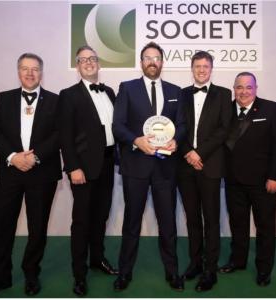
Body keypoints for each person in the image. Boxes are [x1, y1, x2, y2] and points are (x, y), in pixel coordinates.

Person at [0, 53, 61, 297]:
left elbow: (59, 134)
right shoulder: (4, 98)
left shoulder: (56, 101)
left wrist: (34, 158)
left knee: (38, 228)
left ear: (41, 72)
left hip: (42, 173)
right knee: (2, 225)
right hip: (9, 173)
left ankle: (31, 273)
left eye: (35, 69)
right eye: (25, 68)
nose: (30, 73)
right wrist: (13, 157)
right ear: (18, 72)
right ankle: (0, 276)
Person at [112, 42, 186, 291]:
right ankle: (124, 272)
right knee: (131, 222)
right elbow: (118, 125)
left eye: (156, 57)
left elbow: (182, 125)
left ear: (162, 62)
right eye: (147, 58)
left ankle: (172, 272)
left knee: (168, 223)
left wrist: (177, 139)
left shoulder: (176, 90)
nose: (152, 62)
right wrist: (136, 140)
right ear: (141, 62)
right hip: (136, 166)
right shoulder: (127, 88)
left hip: (165, 168)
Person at [59, 45, 117, 296]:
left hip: (107, 163)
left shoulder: (110, 92)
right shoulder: (68, 95)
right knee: (82, 221)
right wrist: (73, 167)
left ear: (99, 64)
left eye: (93, 59)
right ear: (78, 65)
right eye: (84, 60)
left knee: (101, 216)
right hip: (82, 168)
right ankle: (79, 274)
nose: (89, 63)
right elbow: (65, 135)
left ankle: (98, 258)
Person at [219, 72, 276, 286]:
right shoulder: (225, 110)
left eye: (248, 87)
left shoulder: (271, 109)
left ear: (256, 88)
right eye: (239, 87)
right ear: (234, 89)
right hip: (233, 181)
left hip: (263, 182)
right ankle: (237, 261)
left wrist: (275, 176)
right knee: (238, 224)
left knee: (265, 227)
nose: (244, 91)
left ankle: (264, 269)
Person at [177, 51, 232, 291]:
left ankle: (210, 270)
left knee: (211, 219)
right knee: (192, 219)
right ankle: (195, 263)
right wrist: (189, 152)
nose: (201, 70)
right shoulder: (182, 94)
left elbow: (223, 129)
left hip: (210, 165)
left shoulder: (223, 94)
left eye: (206, 66)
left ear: (211, 68)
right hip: (186, 165)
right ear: (192, 68)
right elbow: (179, 127)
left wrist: (200, 153)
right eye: (197, 66)